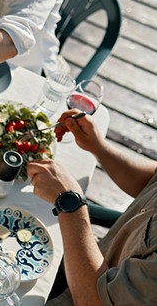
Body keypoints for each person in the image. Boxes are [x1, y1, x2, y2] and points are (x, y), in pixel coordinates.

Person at [26, 109, 157, 305]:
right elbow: (151, 179)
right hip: (88, 257)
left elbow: (93, 301)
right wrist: (99, 148)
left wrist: (70, 202)